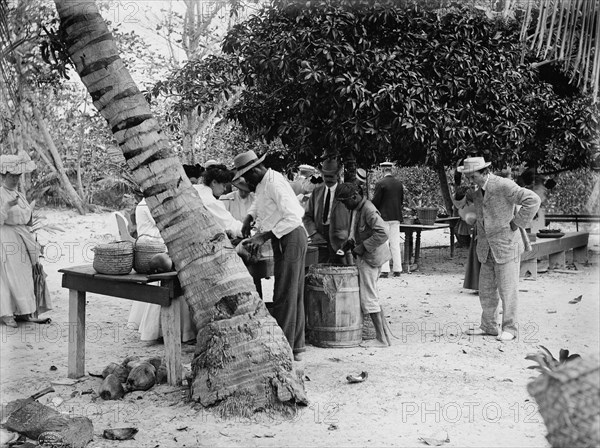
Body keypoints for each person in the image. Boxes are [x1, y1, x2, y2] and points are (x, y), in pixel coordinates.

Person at [128, 164, 244, 341]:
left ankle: (161, 330)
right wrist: (245, 230)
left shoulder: (193, 190)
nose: (224, 189)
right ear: (214, 182)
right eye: (223, 185)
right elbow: (229, 224)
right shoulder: (208, 199)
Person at [454, 157, 540, 341]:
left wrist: (517, 223)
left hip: (507, 245)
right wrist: (459, 196)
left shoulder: (503, 185)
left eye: (472, 176)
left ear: (484, 172)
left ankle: (510, 328)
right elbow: (464, 208)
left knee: (508, 290)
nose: (469, 180)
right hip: (486, 248)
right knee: (486, 290)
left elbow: (533, 199)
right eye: (467, 176)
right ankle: (488, 326)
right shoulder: (476, 191)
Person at [234, 150, 307, 362]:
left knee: (285, 292)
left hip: (291, 236)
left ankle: (283, 347)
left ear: (256, 169)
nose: (246, 182)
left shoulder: (275, 183)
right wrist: (249, 217)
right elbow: (259, 201)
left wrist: (262, 237)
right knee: (291, 291)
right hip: (281, 237)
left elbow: (294, 216)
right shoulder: (263, 182)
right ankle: (296, 347)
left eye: (247, 177)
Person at [337, 182, 391, 348]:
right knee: (372, 295)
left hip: (370, 258)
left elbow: (383, 232)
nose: (345, 206)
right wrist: (350, 243)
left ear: (354, 196)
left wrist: (362, 247)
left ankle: (381, 339)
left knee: (369, 298)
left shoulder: (368, 209)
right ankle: (385, 337)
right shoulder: (358, 208)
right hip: (368, 256)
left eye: (346, 201)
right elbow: (360, 231)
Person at [1, 154, 52, 328]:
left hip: (22, 237)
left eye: (17, 176)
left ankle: (24, 312)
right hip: (6, 237)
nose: (15, 179)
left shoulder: (19, 194)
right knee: (9, 276)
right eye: (11, 175)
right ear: (3, 175)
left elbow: (27, 217)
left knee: (25, 275)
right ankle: (7, 314)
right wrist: (7, 206)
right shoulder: (1, 194)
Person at [303, 159, 351, 264]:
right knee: (320, 272)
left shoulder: (346, 192)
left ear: (337, 176)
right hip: (320, 239)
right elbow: (307, 216)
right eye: (325, 176)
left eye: (331, 176)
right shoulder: (317, 192)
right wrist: (313, 234)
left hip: (341, 242)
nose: (328, 179)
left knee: (341, 272)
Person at [371, 161, 404, 278]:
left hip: (384, 217)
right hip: (396, 216)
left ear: (382, 170)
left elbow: (376, 201)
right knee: (395, 243)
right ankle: (397, 269)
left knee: (384, 243)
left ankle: (385, 270)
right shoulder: (399, 184)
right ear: (391, 170)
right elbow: (401, 200)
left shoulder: (380, 183)